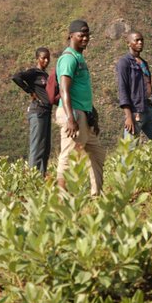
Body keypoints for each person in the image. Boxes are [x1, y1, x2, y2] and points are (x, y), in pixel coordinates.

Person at [55, 19, 107, 195]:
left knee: (97, 154)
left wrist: (94, 116)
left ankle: (96, 195)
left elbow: (82, 91)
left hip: (83, 114)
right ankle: (62, 199)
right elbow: (64, 90)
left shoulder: (79, 58)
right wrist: (71, 118)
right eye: (81, 35)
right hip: (74, 115)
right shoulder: (68, 58)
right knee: (70, 156)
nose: (85, 38)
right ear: (71, 36)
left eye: (87, 35)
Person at [115, 32, 152, 164]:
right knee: (129, 149)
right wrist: (128, 116)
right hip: (135, 111)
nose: (140, 43)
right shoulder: (124, 63)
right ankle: (127, 180)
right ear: (128, 43)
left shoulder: (144, 63)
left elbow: (149, 90)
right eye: (136, 40)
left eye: (141, 40)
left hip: (148, 108)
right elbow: (122, 90)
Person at [10, 47, 53, 175]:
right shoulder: (34, 72)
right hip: (38, 112)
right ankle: (31, 179)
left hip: (47, 112)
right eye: (43, 57)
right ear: (37, 58)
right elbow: (16, 77)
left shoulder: (45, 75)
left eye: (48, 58)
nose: (46, 60)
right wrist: (30, 91)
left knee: (45, 148)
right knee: (37, 147)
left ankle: (41, 177)